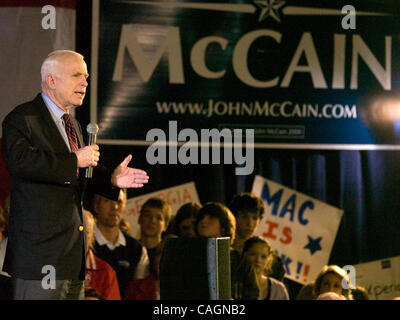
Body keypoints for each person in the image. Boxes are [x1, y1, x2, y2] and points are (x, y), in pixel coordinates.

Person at [1, 50, 149, 300]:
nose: (85, 83)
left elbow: (80, 174)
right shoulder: (23, 119)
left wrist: (111, 179)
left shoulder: (74, 126)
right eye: (76, 75)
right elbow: (21, 162)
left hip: (72, 258)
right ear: (51, 80)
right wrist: (74, 160)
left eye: (87, 77)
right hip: (40, 260)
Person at [83, 172, 150, 300]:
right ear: (96, 206)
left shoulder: (137, 249)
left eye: (119, 201)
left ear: (125, 205)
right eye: (108, 201)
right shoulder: (83, 243)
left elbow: (141, 292)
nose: (114, 207)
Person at [83, 210, 121, 300]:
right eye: (76, 230)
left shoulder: (106, 272)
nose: (79, 236)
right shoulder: (51, 266)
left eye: (86, 231)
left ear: (92, 236)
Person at [138, 198, 172, 267]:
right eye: (148, 215)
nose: (152, 220)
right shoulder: (129, 249)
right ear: (139, 219)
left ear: (165, 226)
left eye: (159, 218)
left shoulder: (169, 252)